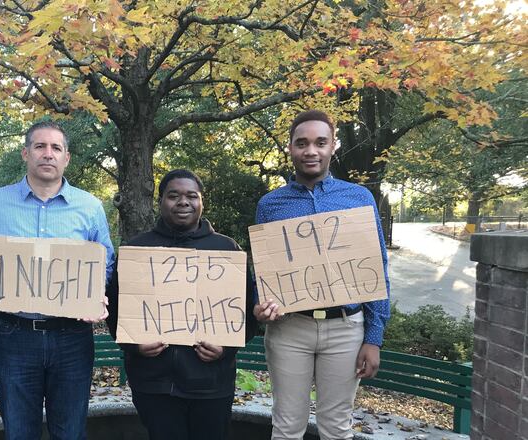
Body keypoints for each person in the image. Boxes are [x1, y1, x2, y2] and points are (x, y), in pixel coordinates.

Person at [0, 121, 115, 440]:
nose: (48, 154)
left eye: (56, 148)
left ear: (67, 158)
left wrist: (95, 292)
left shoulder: (89, 207)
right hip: (15, 335)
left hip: (72, 335)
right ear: (26, 153)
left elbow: (105, 259)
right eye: (40, 147)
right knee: (19, 431)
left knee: (70, 432)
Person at [106, 169, 280, 440]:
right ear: (161, 201)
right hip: (153, 383)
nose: (183, 202)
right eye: (173, 195)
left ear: (202, 202)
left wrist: (225, 349)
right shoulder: (136, 250)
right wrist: (134, 345)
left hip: (211, 384)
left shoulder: (227, 250)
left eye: (191, 196)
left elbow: (247, 314)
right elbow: (116, 312)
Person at [253, 109, 390, 440]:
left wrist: (373, 338)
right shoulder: (271, 204)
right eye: (302, 143)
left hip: (346, 328)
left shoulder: (358, 198)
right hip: (290, 329)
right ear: (290, 148)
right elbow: (263, 270)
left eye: (320, 142)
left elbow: (377, 268)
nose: (310, 150)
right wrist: (261, 305)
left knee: (337, 427)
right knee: (286, 425)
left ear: (334, 146)